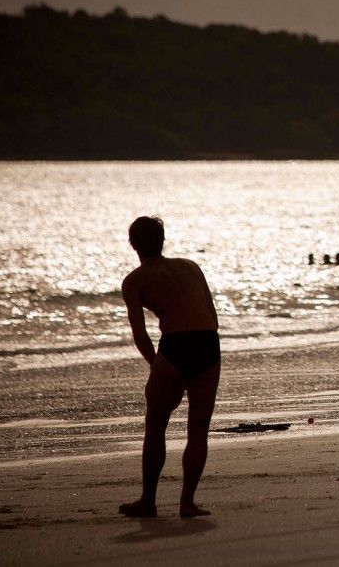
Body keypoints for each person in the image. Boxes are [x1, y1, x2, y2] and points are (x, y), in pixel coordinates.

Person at [118, 216, 220, 519]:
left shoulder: (134, 280)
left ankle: (148, 501)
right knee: (198, 429)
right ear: (162, 240)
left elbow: (140, 334)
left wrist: (158, 368)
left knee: (156, 424)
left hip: (176, 345)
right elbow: (212, 317)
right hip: (207, 343)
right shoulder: (191, 266)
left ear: (133, 244)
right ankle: (187, 503)